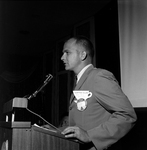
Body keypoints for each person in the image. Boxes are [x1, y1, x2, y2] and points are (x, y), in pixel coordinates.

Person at [61, 35, 137, 150]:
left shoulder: (99, 77)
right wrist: (55, 130)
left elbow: (127, 115)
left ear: (83, 55)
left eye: (67, 52)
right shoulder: (81, 80)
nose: (62, 57)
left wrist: (90, 136)